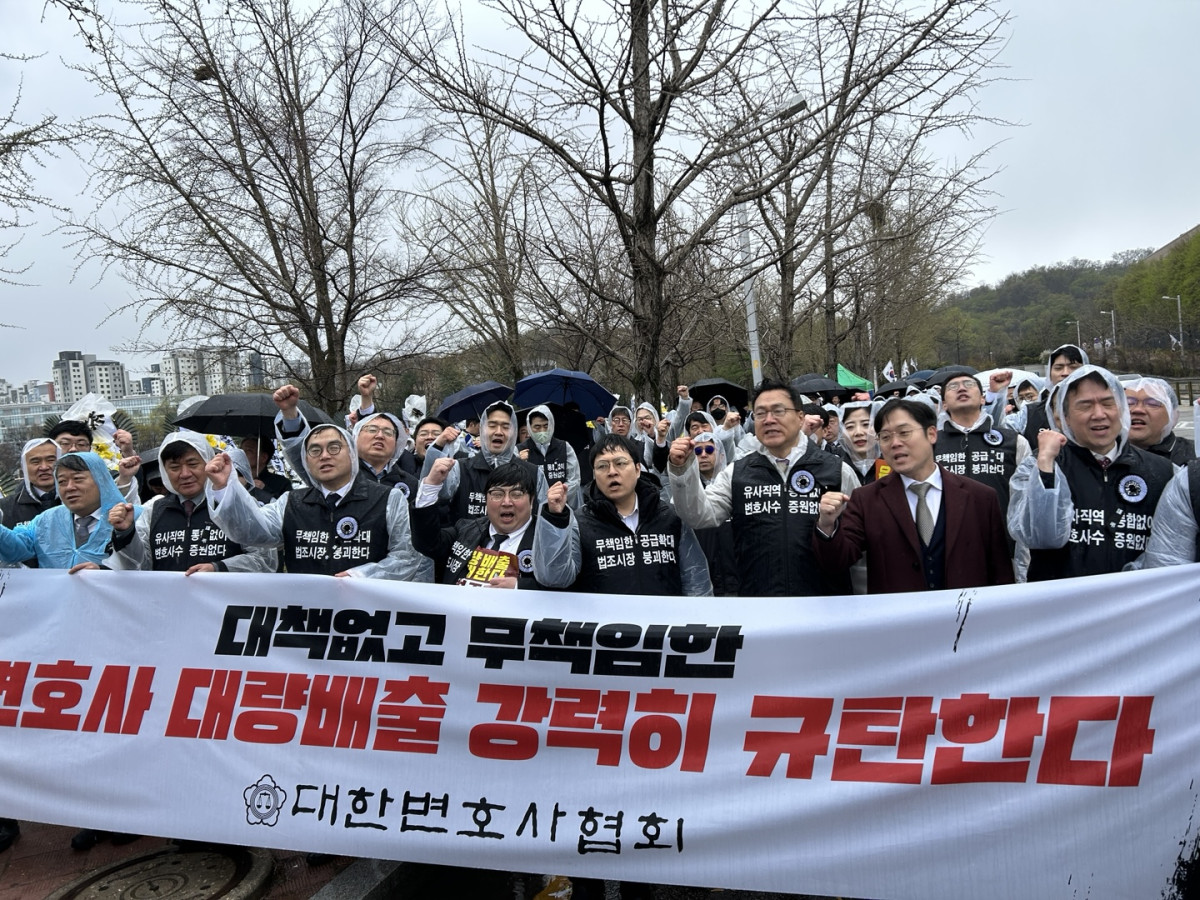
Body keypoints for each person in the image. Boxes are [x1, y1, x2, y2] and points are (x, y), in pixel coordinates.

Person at [668, 378, 859, 596]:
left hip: (826, 608)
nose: (769, 420)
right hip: (759, 609)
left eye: (778, 411)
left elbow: (859, 548)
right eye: (760, 413)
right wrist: (682, 470)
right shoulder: (737, 473)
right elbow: (698, 515)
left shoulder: (836, 470)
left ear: (800, 417)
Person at [813, 399, 1014, 593]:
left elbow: (1000, 571)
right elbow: (838, 561)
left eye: (904, 433)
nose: (895, 443)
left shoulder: (980, 497)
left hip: (965, 618)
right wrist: (827, 525)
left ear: (932, 434)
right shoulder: (866, 500)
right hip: (899, 621)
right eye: (885, 437)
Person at [1008, 365, 1174, 580]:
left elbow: (1171, 552)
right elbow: (1040, 537)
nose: (1099, 414)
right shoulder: (1039, 464)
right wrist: (1046, 467)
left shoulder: (1163, 471)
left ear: (1122, 410)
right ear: (1064, 417)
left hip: (1136, 603)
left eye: (1108, 403)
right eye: (1085, 406)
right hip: (1059, 605)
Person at [206, 422, 428, 579]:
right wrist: (226, 488)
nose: (324, 456)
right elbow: (251, 531)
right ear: (306, 461)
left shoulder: (388, 498)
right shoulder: (291, 502)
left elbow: (407, 557)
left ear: (351, 455)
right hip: (305, 620)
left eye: (334, 448)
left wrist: (361, 576)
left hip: (367, 619)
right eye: (314, 450)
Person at [534, 434, 712, 596]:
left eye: (620, 463)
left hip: (663, 628)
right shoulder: (580, 522)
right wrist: (555, 518)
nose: (612, 471)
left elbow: (696, 581)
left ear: (637, 469)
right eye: (602, 466)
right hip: (604, 629)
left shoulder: (670, 516)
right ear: (594, 475)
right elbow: (555, 577)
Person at [108, 432, 277, 573]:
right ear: (164, 471)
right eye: (174, 467)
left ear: (208, 462)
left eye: (193, 464)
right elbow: (138, 566)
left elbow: (264, 560)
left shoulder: (232, 503)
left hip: (226, 609)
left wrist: (219, 568)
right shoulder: (154, 509)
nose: (184, 474)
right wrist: (125, 533)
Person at [413, 459, 548, 589]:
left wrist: (519, 587)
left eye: (516, 494)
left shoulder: (547, 541)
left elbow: (564, 584)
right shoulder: (466, 529)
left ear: (531, 501)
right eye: (497, 494)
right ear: (485, 500)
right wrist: (431, 486)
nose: (507, 502)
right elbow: (428, 543)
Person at [0, 452, 130, 571]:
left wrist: (103, 572)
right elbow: (15, 549)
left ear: (101, 480)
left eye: (78, 479)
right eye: (62, 482)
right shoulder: (47, 519)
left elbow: (141, 563)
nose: (69, 487)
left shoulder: (129, 518)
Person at [422, 400, 547, 522]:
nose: (498, 432)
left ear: (514, 432)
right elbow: (429, 498)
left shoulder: (534, 474)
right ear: (481, 430)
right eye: (492, 426)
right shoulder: (460, 469)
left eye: (505, 426)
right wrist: (438, 447)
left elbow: (545, 520)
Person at [934, 373, 1030, 523]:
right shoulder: (930, 444)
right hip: (948, 538)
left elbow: (1027, 496)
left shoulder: (1014, 441)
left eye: (969, 384)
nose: (961, 388)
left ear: (982, 399)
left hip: (1001, 537)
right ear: (944, 404)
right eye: (953, 386)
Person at [988, 344, 1088, 446]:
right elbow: (995, 429)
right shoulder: (1030, 414)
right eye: (1058, 368)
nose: (1065, 373)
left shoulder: (1099, 409)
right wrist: (996, 394)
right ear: (1049, 374)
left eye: (1073, 367)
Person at [518, 405, 581, 509]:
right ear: (530, 428)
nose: (542, 431)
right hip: (530, 508)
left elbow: (574, 479)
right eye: (537, 427)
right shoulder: (520, 450)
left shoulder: (564, 447)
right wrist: (518, 462)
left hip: (560, 506)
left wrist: (558, 496)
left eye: (546, 426)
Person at [1124, 377, 1195, 465]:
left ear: (1172, 414)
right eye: (1129, 403)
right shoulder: (1106, 457)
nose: (1138, 410)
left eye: (1152, 403)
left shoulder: (1194, 455)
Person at [836, 399, 881, 485]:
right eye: (850, 427)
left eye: (866, 424)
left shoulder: (892, 466)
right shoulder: (837, 469)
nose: (858, 432)